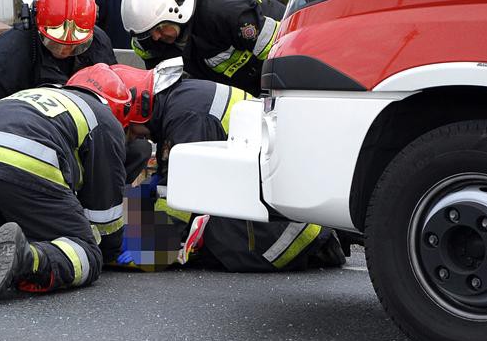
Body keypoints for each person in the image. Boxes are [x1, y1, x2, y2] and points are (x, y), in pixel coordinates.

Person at [111, 61, 346, 272]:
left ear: (137, 112)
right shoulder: (179, 102)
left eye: (129, 129)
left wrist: (155, 246)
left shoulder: (188, 116)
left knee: (204, 238)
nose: (132, 138)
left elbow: (186, 192)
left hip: (282, 229)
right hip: (282, 208)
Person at [0, 64, 131, 304]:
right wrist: (106, 248)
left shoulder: (39, 95)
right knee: (87, 253)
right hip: (22, 157)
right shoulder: (105, 119)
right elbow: (103, 211)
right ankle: (27, 258)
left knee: (9, 235)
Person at [120, 0, 286, 97]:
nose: (155, 37)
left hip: (280, 56)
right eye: (149, 33)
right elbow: (162, 86)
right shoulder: (148, 42)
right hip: (238, 87)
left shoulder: (223, 13)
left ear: (178, 11)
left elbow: (281, 56)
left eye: (159, 28)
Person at [0, 0, 117, 112]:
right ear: (34, 18)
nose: (63, 50)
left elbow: (113, 102)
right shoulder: (7, 56)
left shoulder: (98, 44)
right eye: (55, 43)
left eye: (74, 45)